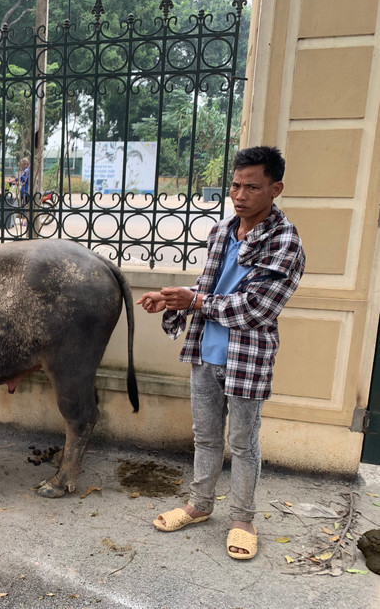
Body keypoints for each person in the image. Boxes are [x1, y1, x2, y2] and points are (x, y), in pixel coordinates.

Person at [137, 146, 305, 560]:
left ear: (276, 189)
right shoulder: (222, 231)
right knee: (206, 437)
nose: (240, 195)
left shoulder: (285, 242)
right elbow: (208, 286)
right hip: (205, 351)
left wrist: (194, 302)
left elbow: (256, 308)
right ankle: (199, 505)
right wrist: (172, 298)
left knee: (243, 443)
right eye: (235, 185)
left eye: (252, 187)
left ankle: (243, 519)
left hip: (247, 359)